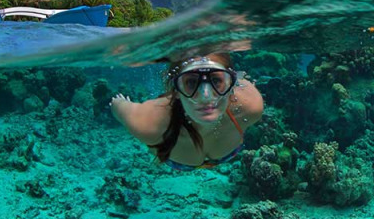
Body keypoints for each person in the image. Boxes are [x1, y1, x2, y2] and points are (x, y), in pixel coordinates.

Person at [110, 53, 264, 171]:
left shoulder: (249, 107)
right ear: (175, 90)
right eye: (191, 82)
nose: (206, 97)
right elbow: (116, 104)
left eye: (216, 81)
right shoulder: (148, 123)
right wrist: (121, 103)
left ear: (231, 84)